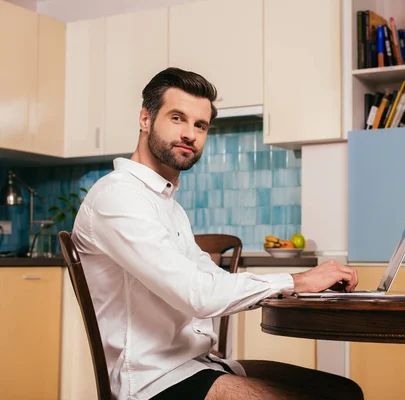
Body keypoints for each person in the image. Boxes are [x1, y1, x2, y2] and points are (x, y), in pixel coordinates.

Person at [71, 67, 363, 400]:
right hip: (151, 383)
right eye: (177, 118)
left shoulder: (167, 205)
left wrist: (300, 285)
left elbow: (209, 279)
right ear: (145, 120)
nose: (190, 134)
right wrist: (298, 281)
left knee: (342, 391)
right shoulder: (119, 196)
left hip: (195, 364)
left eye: (200, 125)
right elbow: (199, 295)